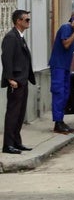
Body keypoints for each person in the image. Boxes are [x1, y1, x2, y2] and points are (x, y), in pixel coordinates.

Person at [2, 10, 36, 154]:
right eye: (26, 20)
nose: (28, 22)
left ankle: (16, 141)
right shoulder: (11, 37)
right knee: (13, 113)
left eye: (29, 19)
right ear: (18, 21)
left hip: (23, 80)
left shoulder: (20, 36)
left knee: (20, 113)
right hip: (16, 81)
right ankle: (8, 145)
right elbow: (6, 59)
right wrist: (10, 79)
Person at [49, 8, 74, 134]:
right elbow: (66, 44)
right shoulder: (66, 28)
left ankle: (60, 120)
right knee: (58, 92)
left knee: (65, 93)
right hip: (58, 65)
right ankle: (57, 122)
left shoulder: (71, 30)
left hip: (65, 66)